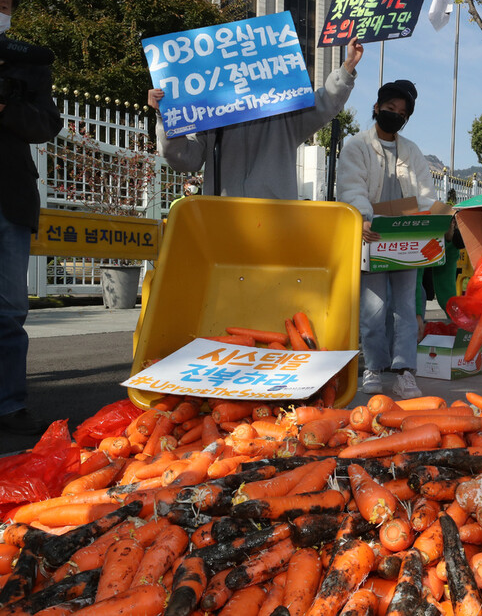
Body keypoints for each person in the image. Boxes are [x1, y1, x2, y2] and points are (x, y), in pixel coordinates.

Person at [147, 36, 364, 199]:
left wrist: (347, 69)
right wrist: (166, 116)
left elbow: (323, 103)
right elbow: (184, 159)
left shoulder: (284, 117)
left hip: (272, 226)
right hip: (223, 225)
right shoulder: (212, 117)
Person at [337, 79, 435, 399]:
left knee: (406, 306)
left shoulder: (412, 151)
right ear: (377, 108)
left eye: (401, 113)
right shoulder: (357, 146)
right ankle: (374, 368)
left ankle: (405, 371)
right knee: (373, 307)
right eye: (389, 109)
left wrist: (431, 219)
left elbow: (425, 193)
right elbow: (352, 187)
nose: (394, 115)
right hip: (373, 236)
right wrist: (362, 216)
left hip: (406, 239)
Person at [0, 0, 62, 435]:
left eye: (3, 8)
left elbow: (46, 124)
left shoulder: (29, 64)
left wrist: (6, 108)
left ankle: (10, 405)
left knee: (8, 308)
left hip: (9, 197)